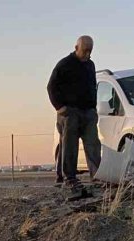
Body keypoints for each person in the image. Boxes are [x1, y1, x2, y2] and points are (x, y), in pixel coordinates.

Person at [47, 35, 102, 193]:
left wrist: (94, 108)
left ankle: (97, 176)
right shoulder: (65, 64)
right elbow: (51, 86)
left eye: (90, 52)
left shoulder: (90, 65)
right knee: (69, 145)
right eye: (84, 51)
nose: (87, 55)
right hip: (70, 112)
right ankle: (68, 178)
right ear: (76, 48)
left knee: (93, 144)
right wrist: (59, 107)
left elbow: (93, 87)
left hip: (88, 112)